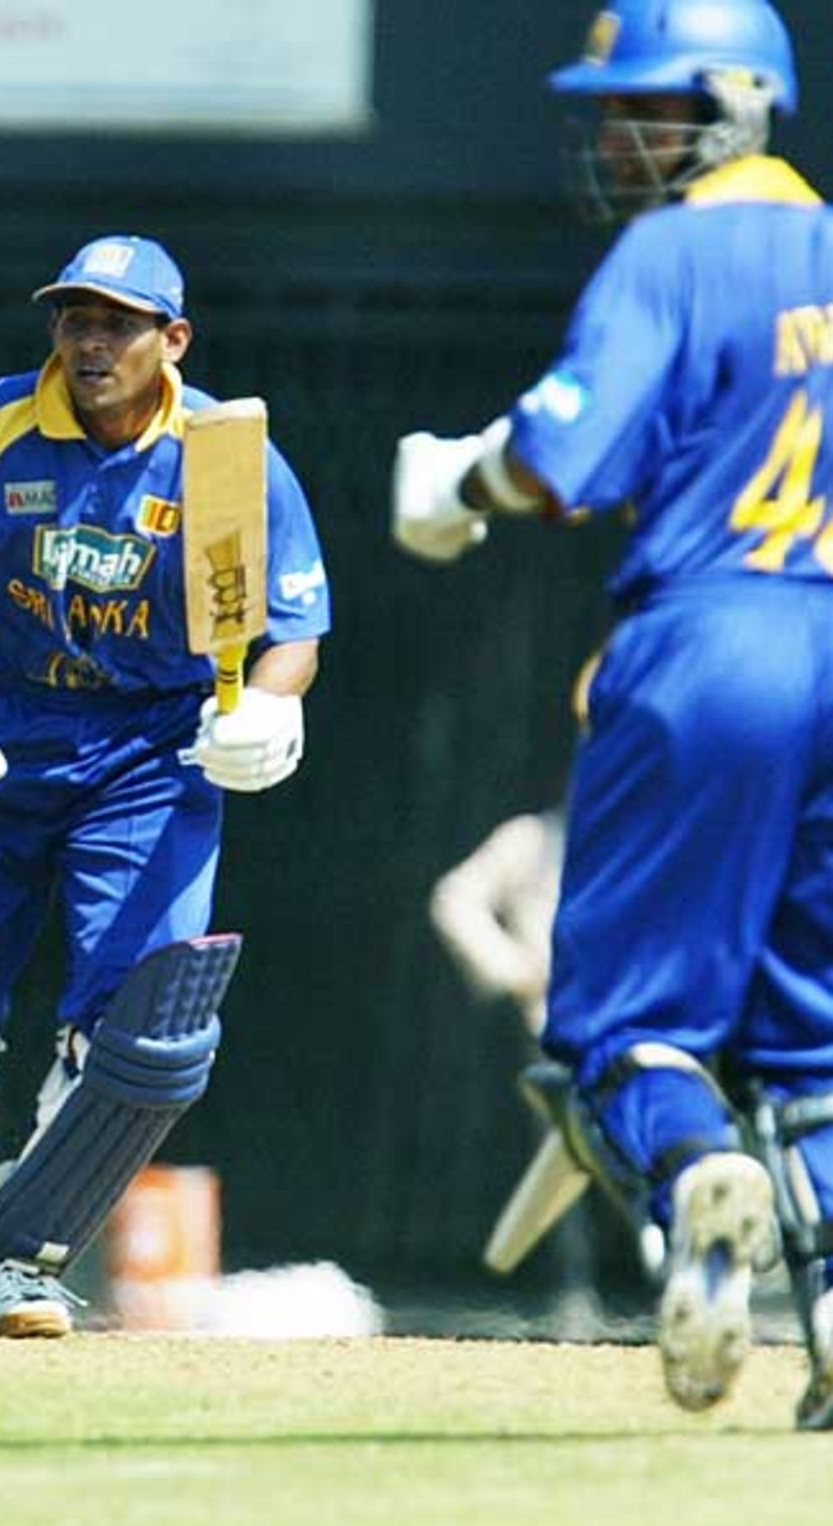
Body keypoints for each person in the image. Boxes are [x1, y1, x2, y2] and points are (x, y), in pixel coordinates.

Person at [391, 0, 833, 1430]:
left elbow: (559, 456)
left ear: (735, 104)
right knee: (816, 1041)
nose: (615, 136)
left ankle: (694, 1159)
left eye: (644, 108)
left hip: (711, 639)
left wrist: (453, 487)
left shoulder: (672, 248)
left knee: (617, 1023)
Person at [0, 233, 330, 1337]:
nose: (91, 342)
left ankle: (22, 1254)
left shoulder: (225, 455)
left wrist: (268, 703)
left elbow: (288, 625)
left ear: (170, 340)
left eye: (119, 324)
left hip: (150, 746)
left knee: (146, 1028)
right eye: (74, 319)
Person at [429, 806, 565, 1039]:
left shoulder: (631, 846)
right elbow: (456, 899)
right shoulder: (531, 837)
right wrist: (514, 970)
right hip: (553, 1030)